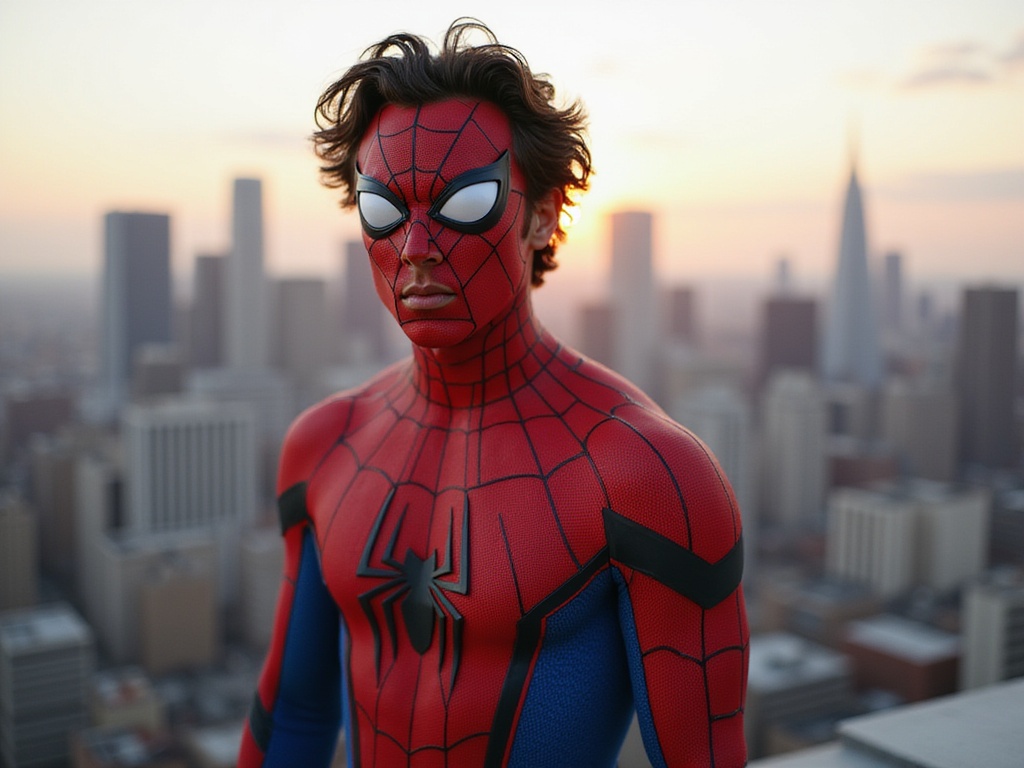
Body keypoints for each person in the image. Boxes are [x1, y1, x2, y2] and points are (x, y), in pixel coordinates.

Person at [238, 18, 748, 768]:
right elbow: (294, 714)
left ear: (541, 216)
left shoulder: (646, 475)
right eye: (383, 212)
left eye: (464, 205)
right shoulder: (324, 446)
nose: (415, 251)